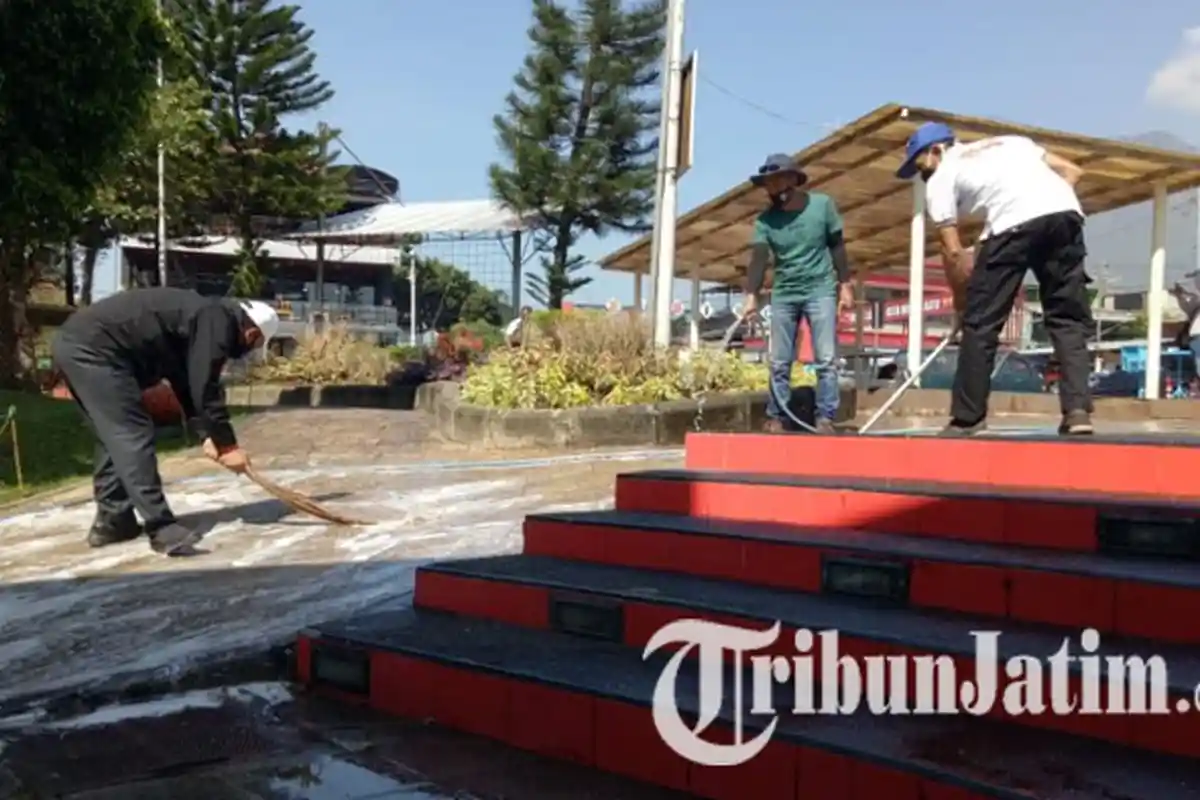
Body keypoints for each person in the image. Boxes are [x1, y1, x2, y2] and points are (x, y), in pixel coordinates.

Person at [896, 122, 1094, 436]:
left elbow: (953, 253)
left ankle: (967, 418)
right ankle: (1078, 412)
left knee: (981, 325)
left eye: (921, 166)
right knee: (1067, 318)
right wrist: (1048, 204)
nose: (922, 175)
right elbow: (1073, 171)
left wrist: (963, 308)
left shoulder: (942, 176)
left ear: (937, 150)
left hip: (1011, 226)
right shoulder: (1012, 142)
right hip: (1066, 216)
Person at [52, 287, 280, 555]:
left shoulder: (200, 320)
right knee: (131, 433)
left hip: (82, 344)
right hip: (94, 350)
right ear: (252, 334)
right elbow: (205, 387)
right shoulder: (217, 321)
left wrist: (206, 435)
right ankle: (162, 528)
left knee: (114, 435)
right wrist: (228, 445)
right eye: (253, 346)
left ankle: (114, 521)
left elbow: (186, 381)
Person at [743, 153, 853, 434]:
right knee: (779, 360)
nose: (772, 187)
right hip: (785, 293)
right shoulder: (765, 221)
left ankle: (825, 416)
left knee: (825, 358)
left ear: (792, 179)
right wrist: (751, 295)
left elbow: (837, 246)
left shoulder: (822, 206)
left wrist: (845, 285)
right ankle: (775, 416)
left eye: (777, 179)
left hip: (820, 289)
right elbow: (758, 259)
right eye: (767, 183)